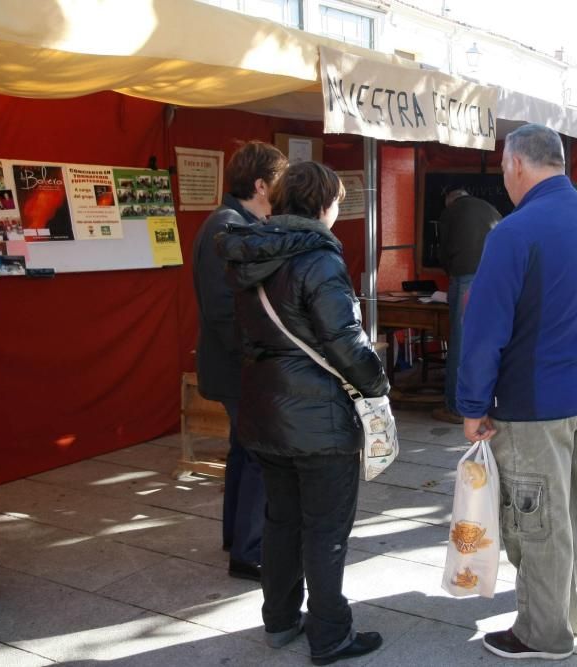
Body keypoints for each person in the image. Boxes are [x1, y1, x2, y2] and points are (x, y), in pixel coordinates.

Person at [457, 124, 577, 660]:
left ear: (516, 166)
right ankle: (570, 606)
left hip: (536, 402)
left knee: (538, 523)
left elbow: (483, 332)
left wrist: (472, 406)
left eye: (505, 168)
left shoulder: (514, 231)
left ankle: (544, 633)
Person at [218, 161, 389, 664]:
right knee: (326, 530)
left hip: (267, 412)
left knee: (282, 522)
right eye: (336, 201)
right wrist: (377, 384)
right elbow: (345, 343)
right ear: (322, 205)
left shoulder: (249, 253)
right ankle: (331, 634)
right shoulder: (319, 260)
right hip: (319, 420)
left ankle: (280, 621)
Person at [192, 140, 286, 581]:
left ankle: (236, 538)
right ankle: (249, 552)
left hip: (236, 366)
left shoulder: (233, 222)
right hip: (239, 368)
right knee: (255, 457)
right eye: (279, 184)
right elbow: (224, 310)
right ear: (261, 184)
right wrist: (259, 360)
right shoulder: (228, 226)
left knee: (241, 452)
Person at [432, 186, 500, 424]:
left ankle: (455, 406)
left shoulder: (450, 212)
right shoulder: (489, 208)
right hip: (494, 278)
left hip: (465, 277)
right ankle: (488, 402)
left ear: (450, 200)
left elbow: (444, 250)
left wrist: (451, 274)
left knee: (459, 343)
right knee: (488, 341)